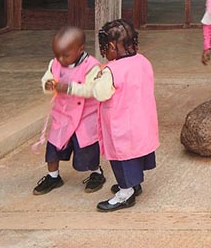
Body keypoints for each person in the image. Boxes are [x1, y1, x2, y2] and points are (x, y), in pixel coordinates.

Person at [55, 19, 158, 212]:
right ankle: (134, 184)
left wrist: (97, 79)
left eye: (105, 48)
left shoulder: (111, 70)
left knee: (122, 158)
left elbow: (100, 93)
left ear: (111, 46)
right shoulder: (143, 61)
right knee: (135, 154)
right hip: (142, 120)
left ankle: (125, 194)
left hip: (121, 124)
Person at [34, 25, 106, 195]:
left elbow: (92, 90)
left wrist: (69, 88)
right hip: (63, 115)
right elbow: (47, 78)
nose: (60, 59)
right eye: (57, 54)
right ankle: (53, 176)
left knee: (87, 150)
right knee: (54, 148)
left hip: (84, 118)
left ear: (80, 49)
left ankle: (96, 173)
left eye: (65, 55)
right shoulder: (55, 63)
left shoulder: (91, 66)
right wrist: (48, 84)